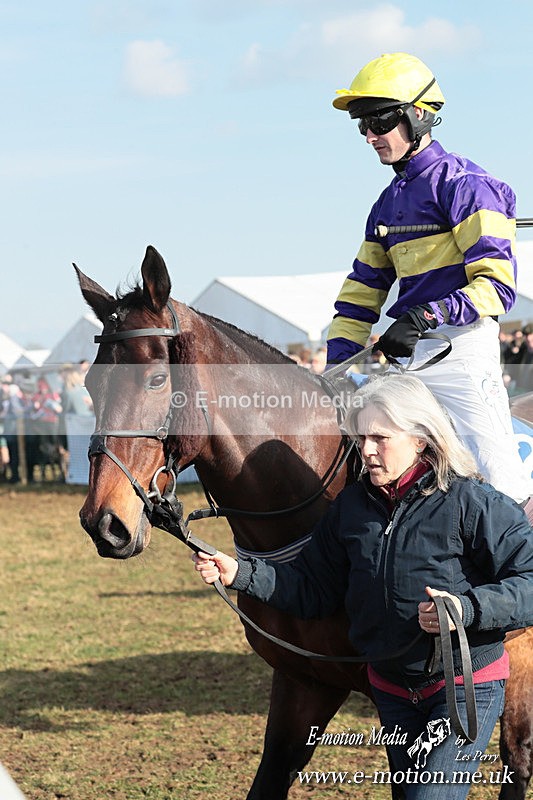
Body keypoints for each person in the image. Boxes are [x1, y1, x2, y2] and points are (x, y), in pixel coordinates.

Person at [193, 374, 533, 799]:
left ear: (420, 439)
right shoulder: (351, 508)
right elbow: (314, 590)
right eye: (361, 438)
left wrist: (467, 609)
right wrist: (239, 572)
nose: (366, 450)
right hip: (392, 693)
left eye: (380, 437)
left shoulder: (471, 502)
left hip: (464, 688)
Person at [325, 51, 530, 503]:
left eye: (378, 122)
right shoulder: (385, 204)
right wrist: (335, 366)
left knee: (500, 484)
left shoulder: (469, 185)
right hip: (406, 360)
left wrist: (422, 317)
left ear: (418, 116)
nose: (368, 136)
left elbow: (497, 286)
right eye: (361, 125)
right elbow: (359, 296)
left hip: (462, 353)